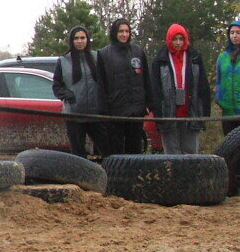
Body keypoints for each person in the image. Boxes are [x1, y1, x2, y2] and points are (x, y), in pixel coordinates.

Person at [95, 18, 151, 156]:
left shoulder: (138, 51)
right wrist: (103, 110)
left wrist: (149, 103)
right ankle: (116, 177)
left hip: (135, 110)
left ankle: (135, 176)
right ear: (115, 33)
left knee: (135, 150)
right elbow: (100, 85)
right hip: (115, 110)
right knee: (116, 150)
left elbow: (146, 80)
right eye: (121, 31)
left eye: (127, 31)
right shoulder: (104, 54)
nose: (124, 34)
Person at [151, 23, 209, 154]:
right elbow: (155, 89)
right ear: (169, 40)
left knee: (191, 153)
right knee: (172, 155)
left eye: (181, 39)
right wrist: (158, 114)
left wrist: (204, 112)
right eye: (174, 39)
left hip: (191, 112)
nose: (178, 42)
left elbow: (203, 86)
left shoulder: (195, 58)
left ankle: (190, 175)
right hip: (168, 114)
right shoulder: (160, 60)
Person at [52, 25, 102, 158]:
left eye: (83, 38)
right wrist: (68, 96)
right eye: (76, 38)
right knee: (78, 153)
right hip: (73, 113)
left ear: (87, 39)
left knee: (106, 149)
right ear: (72, 41)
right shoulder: (63, 61)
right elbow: (56, 86)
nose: (80, 41)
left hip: (96, 113)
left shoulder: (98, 57)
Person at [216, 20, 240, 137]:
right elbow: (218, 80)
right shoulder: (222, 57)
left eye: (238, 33)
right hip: (227, 111)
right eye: (232, 33)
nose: (234, 36)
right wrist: (219, 98)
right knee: (230, 148)